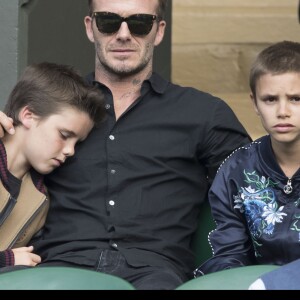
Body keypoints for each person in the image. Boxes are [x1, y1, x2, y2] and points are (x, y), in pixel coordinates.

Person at [0, 0, 251, 290]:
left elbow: (260, 184)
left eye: (140, 23)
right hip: (57, 269)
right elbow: (14, 152)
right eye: (108, 21)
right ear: (90, 28)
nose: (123, 33)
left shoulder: (203, 113)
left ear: (158, 31)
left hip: (156, 272)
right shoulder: (57, 110)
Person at [194, 40, 300, 278]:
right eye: (270, 99)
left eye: (296, 99)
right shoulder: (236, 170)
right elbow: (228, 254)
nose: (283, 111)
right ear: (254, 103)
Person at [0, 62, 105, 268]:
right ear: (28, 115)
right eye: (64, 135)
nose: (70, 150)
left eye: (77, 143)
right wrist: (7, 260)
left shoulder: (40, 199)